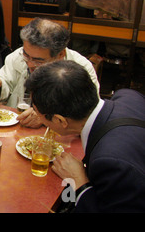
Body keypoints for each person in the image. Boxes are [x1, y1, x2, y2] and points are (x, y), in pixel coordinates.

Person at [25, 60, 145, 212]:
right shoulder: (128, 96)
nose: (35, 115)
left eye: (37, 112)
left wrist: (80, 182)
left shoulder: (110, 161)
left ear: (60, 120)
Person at [0, 18, 99, 128]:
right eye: (26, 55)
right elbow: (5, 82)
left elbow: (88, 116)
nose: (29, 64)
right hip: (17, 127)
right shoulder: (17, 57)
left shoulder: (81, 69)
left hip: (58, 136)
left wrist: (45, 118)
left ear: (60, 55)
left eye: (38, 60)